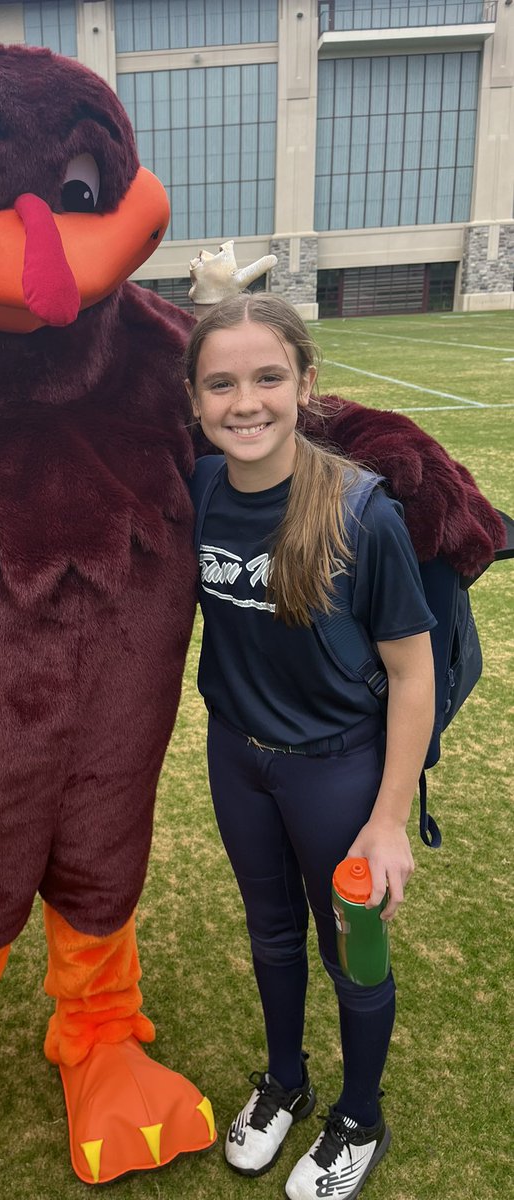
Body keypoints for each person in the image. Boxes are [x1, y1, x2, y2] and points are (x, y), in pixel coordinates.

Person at [183, 293, 436, 1200]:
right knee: (271, 931)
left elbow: (413, 676)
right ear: (195, 400)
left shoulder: (363, 512)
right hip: (237, 759)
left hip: (338, 769)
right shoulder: (199, 486)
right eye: (220, 384)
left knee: (351, 950)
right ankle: (285, 1080)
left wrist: (390, 821)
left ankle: (361, 1116)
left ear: (305, 384)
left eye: (266, 378)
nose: (244, 402)